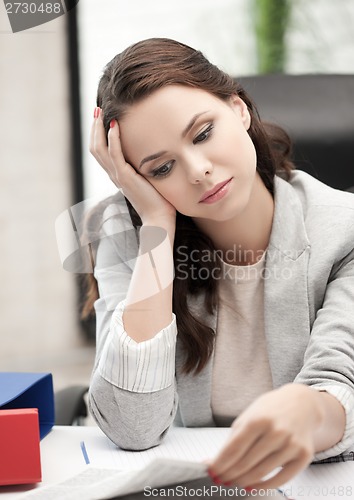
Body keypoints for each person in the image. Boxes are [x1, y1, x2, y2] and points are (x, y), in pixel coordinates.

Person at [85, 37, 354, 490]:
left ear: (239, 109)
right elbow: (132, 428)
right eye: (161, 168)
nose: (197, 170)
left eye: (203, 133)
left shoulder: (344, 231)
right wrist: (155, 225)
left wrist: (310, 411)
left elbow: (342, 382)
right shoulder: (129, 236)